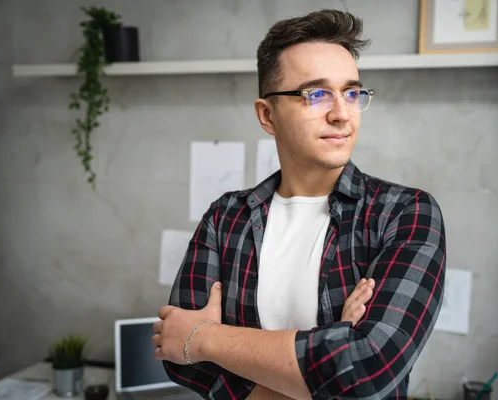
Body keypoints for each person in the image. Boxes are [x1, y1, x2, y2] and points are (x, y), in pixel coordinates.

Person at [152, 8, 446, 400]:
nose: (342, 114)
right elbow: (177, 355)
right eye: (317, 94)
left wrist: (205, 339)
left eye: (352, 93)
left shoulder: (405, 214)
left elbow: (367, 369)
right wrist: (330, 343)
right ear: (267, 114)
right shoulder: (226, 217)